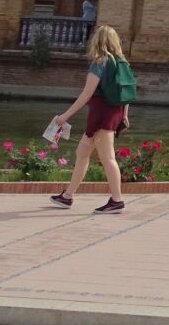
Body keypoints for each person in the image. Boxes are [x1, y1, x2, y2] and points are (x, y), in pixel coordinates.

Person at [48, 23, 130, 214]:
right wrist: (125, 116)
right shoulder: (122, 62)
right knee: (82, 152)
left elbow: (86, 95)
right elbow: (127, 93)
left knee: (108, 158)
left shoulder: (99, 62)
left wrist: (64, 117)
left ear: (97, 41)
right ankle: (67, 196)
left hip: (101, 113)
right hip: (114, 112)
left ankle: (117, 200)